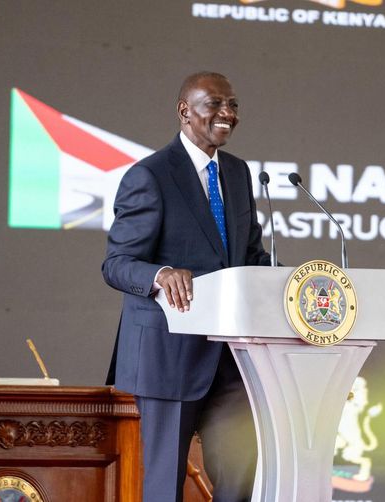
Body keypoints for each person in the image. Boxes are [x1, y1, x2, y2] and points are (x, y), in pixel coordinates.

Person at [102, 71, 270, 502]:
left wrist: (289, 281)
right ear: (184, 111)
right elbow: (118, 264)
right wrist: (160, 275)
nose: (227, 114)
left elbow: (248, 257)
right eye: (215, 104)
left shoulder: (237, 173)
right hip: (168, 359)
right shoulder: (151, 176)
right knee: (164, 488)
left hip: (231, 362)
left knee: (239, 483)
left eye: (232, 105)